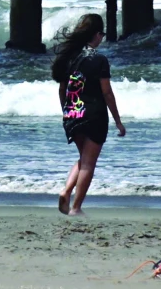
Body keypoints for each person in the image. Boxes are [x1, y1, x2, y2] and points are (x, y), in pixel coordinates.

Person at [51, 13, 125, 216]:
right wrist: (118, 121)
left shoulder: (68, 58)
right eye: (102, 34)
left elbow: (62, 90)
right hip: (94, 116)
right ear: (94, 34)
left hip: (73, 113)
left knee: (83, 158)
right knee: (89, 163)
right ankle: (76, 207)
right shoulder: (99, 59)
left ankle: (66, 191)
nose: (102, 38)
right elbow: (107, 93)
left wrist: (66, 112)